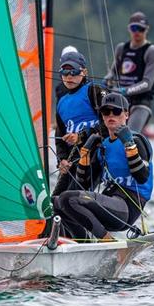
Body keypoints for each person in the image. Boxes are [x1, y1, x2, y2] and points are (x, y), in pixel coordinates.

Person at [54, 93, 153, 241]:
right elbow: (84, 184)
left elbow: (142, 177)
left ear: (126, 114)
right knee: (57, 202)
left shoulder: (137, 140)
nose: (111, 115)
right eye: (106, 112)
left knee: (70, 198)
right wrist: (85, 156)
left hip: (127, 207)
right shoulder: (103, 145)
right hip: (109, 202)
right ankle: (83, 244)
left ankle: (108, 241)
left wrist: (129, 145)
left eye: (116, 111)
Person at [52, 48, 106, 196]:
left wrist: (81, 136)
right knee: (55, 201)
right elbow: (60, 137)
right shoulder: (61, 102)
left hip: (94, 157)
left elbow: (110, 123)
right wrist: (61, 160)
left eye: (74, 72)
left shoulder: (94, 91)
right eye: (64, 72)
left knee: (69, 199)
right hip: (73, 161)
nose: (69, 76)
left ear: (84, 72)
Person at [104, 11, 154, 132]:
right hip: (121, 102)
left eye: (140, 29)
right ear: (129, 29)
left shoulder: (152, 52)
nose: (137, 32)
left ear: (147, 30)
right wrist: (107, 79)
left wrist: (125, 90)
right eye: (134, 28)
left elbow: (147, 83)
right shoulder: (121, 48)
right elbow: (113, 72)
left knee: (129, 135)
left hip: (141, 103)